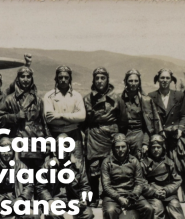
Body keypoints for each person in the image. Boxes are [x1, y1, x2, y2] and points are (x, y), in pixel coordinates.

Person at [37, 133, 93, 219]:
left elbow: (85, 186)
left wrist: (83, 198)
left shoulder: (78, 165)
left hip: (73, 200)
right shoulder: (47, 165)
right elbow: (40, 187)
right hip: (56, 200)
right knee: (52, 213)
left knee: (88, 213)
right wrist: (49, 200)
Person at [101, 133, 154, 219]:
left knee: (148, 208)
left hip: (131, 193)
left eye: (123, 146)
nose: (120, 150)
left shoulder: (134, 161)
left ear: (128, 147)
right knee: (110, 211)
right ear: (113, 148)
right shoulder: (106, 162)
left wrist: (134, 195)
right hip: (113, 196)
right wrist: (118, 198)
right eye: (117, 147)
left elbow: (139, 182)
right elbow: (106, 186)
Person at [83, 67, 128, 207]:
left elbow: (123, 121)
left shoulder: (117, 99)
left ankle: (110, 197)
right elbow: (82, 122)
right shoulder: (87, 99)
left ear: (107, 80)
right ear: (93, 80)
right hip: (94, 136)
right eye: (97, 78)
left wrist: (115, 134)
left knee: (110, 167)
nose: (100, 81)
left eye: (103, 78)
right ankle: (94, 197)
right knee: (93, 168)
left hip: (111, 137)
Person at [0, 63, 51, 172]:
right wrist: (15, 117)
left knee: (39, 174)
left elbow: (43, 122)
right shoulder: (9, 99)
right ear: (18, 79)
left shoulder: (38, 100)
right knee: (21, 174)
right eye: (22, 76)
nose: (25, 79)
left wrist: (47, 140)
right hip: (18, 140)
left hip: (36, 141)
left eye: (28, 77)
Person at [141, 134, 185, 219]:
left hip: (168, 193)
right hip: (153, 194)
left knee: (175, 207)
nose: (156, 150)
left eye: (158, 147)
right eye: (153, 147)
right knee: (157, 207)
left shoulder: (169, 162)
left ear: (163, 148)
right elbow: (142, 182)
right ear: (149, 148)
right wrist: (154, 192)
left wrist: (166, 190)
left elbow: (177, 180)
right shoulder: (144, 163)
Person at [148, 69, 185, 190]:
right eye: (162, 78)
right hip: (160, 136)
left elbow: (183, 115)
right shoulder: (151, 96)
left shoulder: (179, 95)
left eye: (167, 78)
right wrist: (159, 133)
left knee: (178, 164)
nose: (164, 81)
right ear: (158, 80)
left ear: (171, 80)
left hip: (175, 136)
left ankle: (179, 191)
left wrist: (180, 129)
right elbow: (151, 118)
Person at [44, 66, 86, 162]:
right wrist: (73, 117)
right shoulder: (49, 96)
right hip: (55, 134)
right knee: (56, 163)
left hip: (74, 134)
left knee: (77, 163)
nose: (63, 80)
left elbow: (82, 116)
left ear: (70, 79)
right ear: (56, 78)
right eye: (60, 77)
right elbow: (50, 119)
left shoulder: (77, 96)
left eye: (66, 77)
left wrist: (60, 116)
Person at [120, 69, 163, 160]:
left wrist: (145, 143)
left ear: (139, 82)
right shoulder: (119, 99)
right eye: (130, 81)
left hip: (139, 135)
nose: (133, 83)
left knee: (140, 162)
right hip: (123, 134)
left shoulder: (146, 100)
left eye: (136, 81)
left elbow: (151, 125)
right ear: (125, 82)